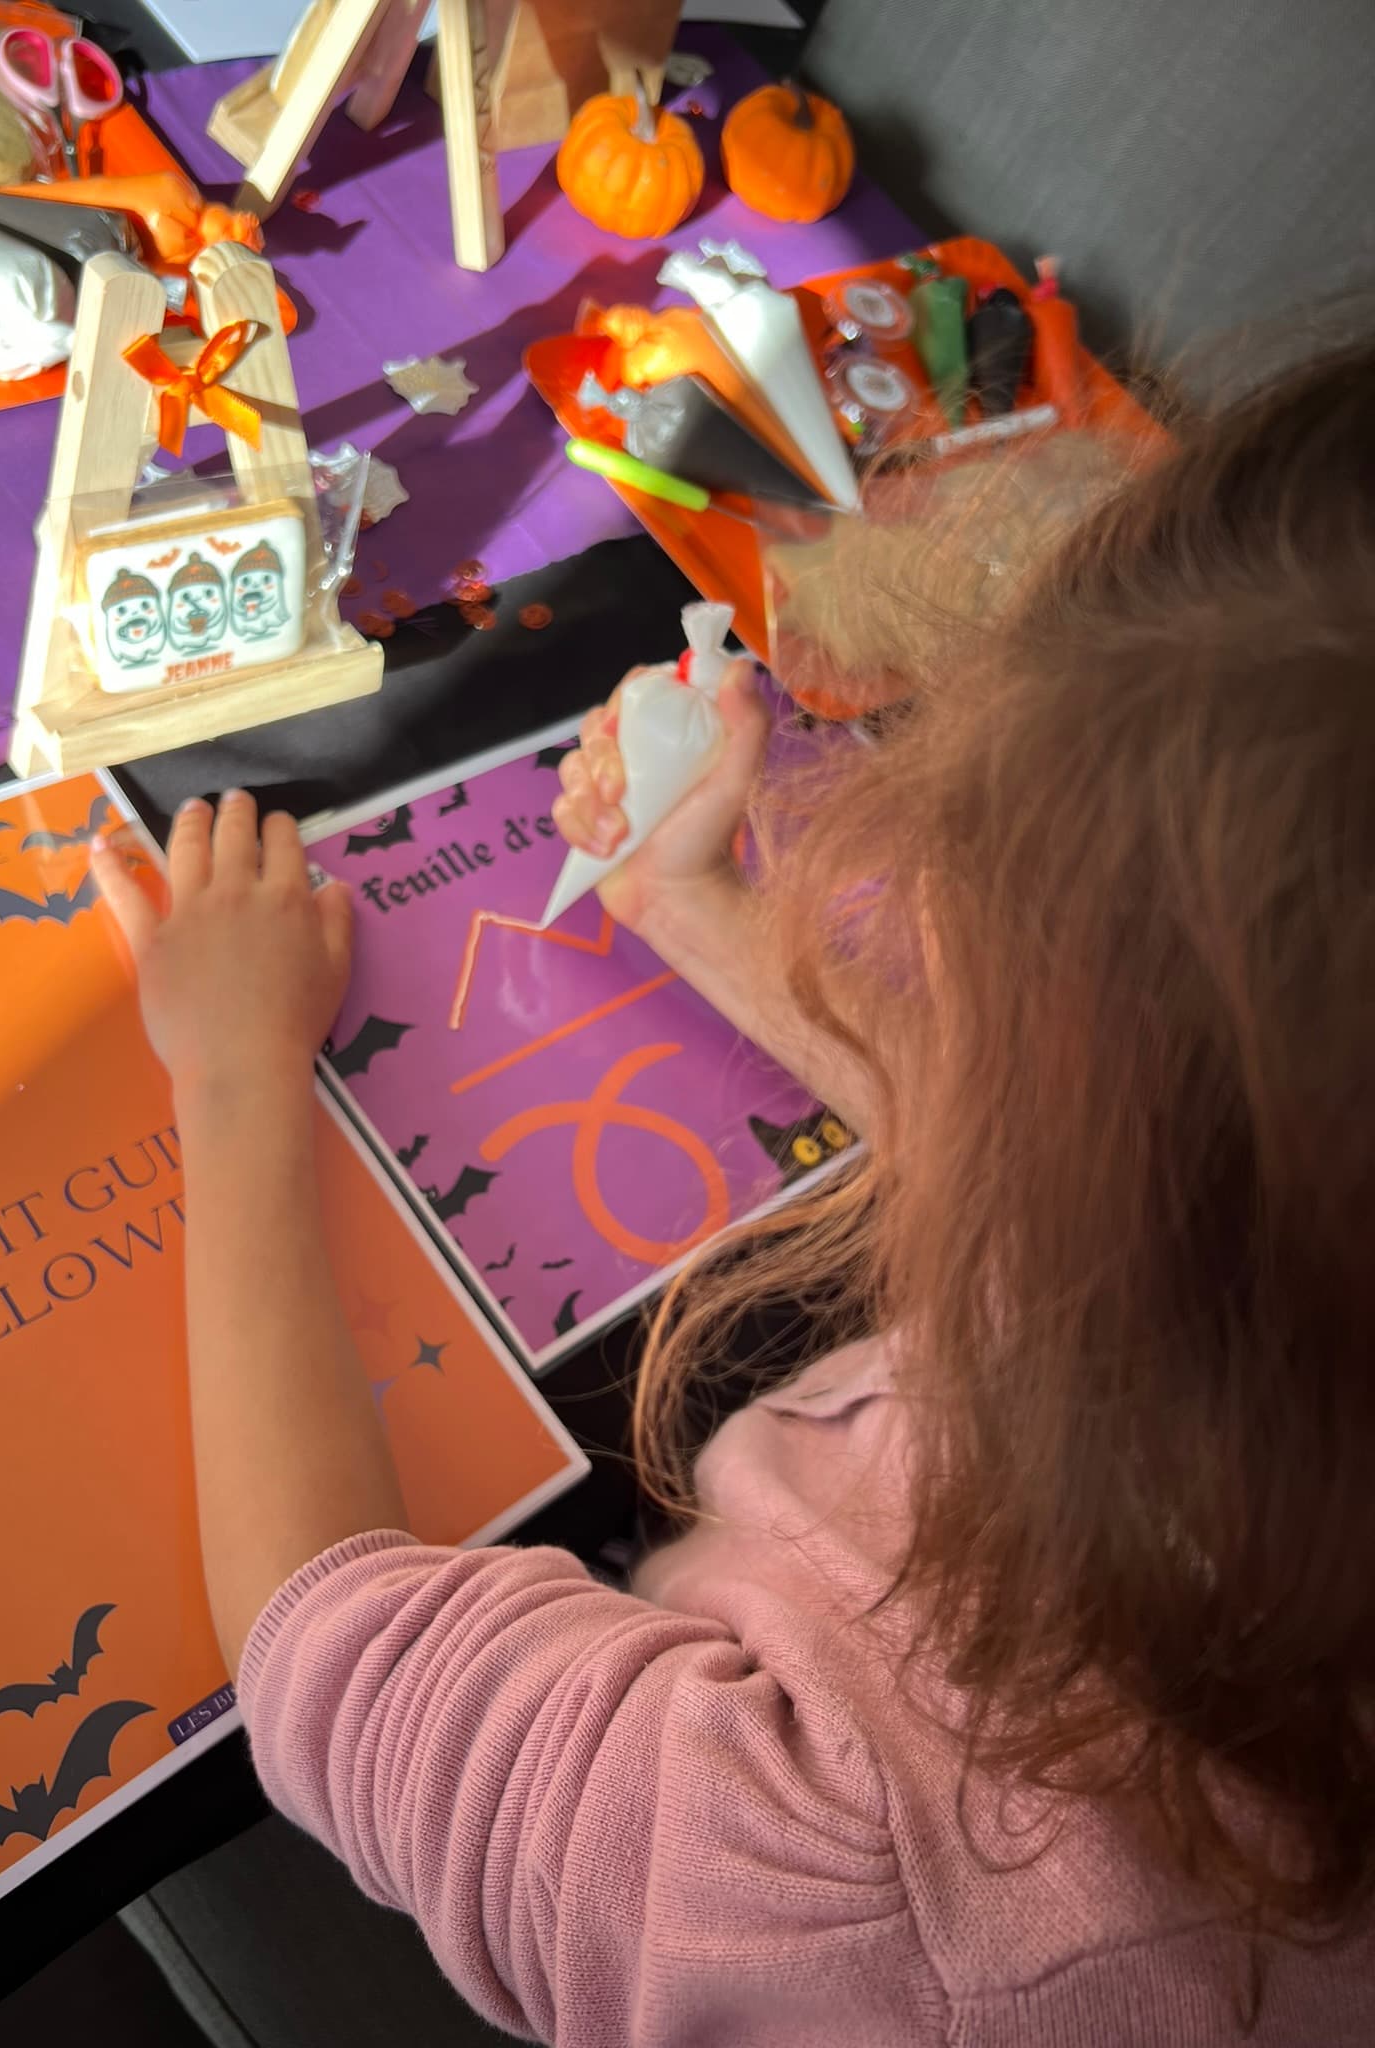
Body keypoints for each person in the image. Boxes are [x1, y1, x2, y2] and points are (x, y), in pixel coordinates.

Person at [92, 339, 1375, 2046]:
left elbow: (331, 1660)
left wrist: (239, 1079)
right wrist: (690, 911)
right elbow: (1061, 1168)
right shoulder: (1279, 1343)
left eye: (970, 901)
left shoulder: (859, 1888)